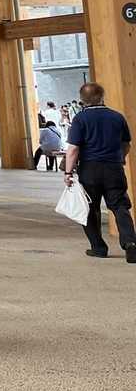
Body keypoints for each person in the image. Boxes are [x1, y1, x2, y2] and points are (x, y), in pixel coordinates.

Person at [62, 82, 135, 261]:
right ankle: (130, 243)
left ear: (81, 99)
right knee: (120, 206)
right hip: (114, 168)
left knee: (89, 208)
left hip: (90, 169)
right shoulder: (117, 117)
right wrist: (120, 158)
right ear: (102, 97)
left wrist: (68, 173)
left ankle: (98, 247)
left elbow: (73, 149)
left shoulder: (80, 119)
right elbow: (126, 144)